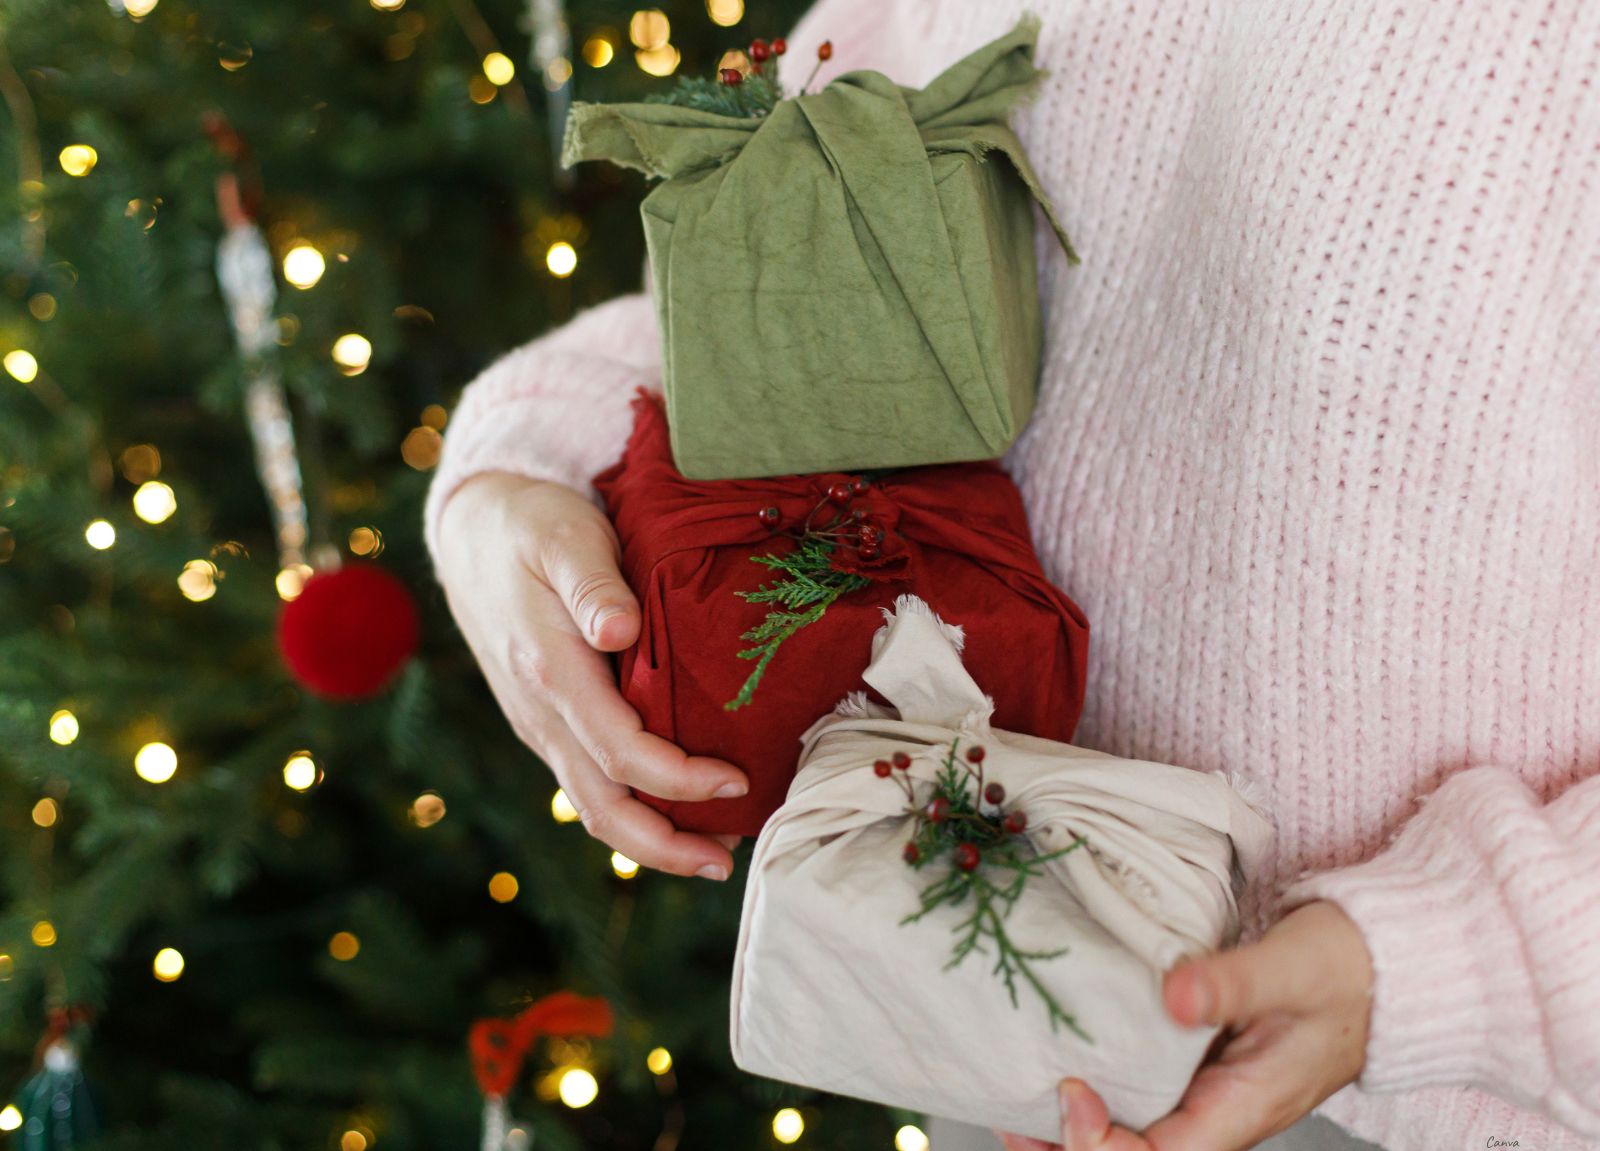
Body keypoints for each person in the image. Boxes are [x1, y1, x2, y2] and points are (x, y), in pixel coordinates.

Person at [426, 2, 1600, 1149]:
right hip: (991, 968)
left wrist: (1456, 965)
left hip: (1444, 1073)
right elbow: (784, 263)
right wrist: (511, 475)